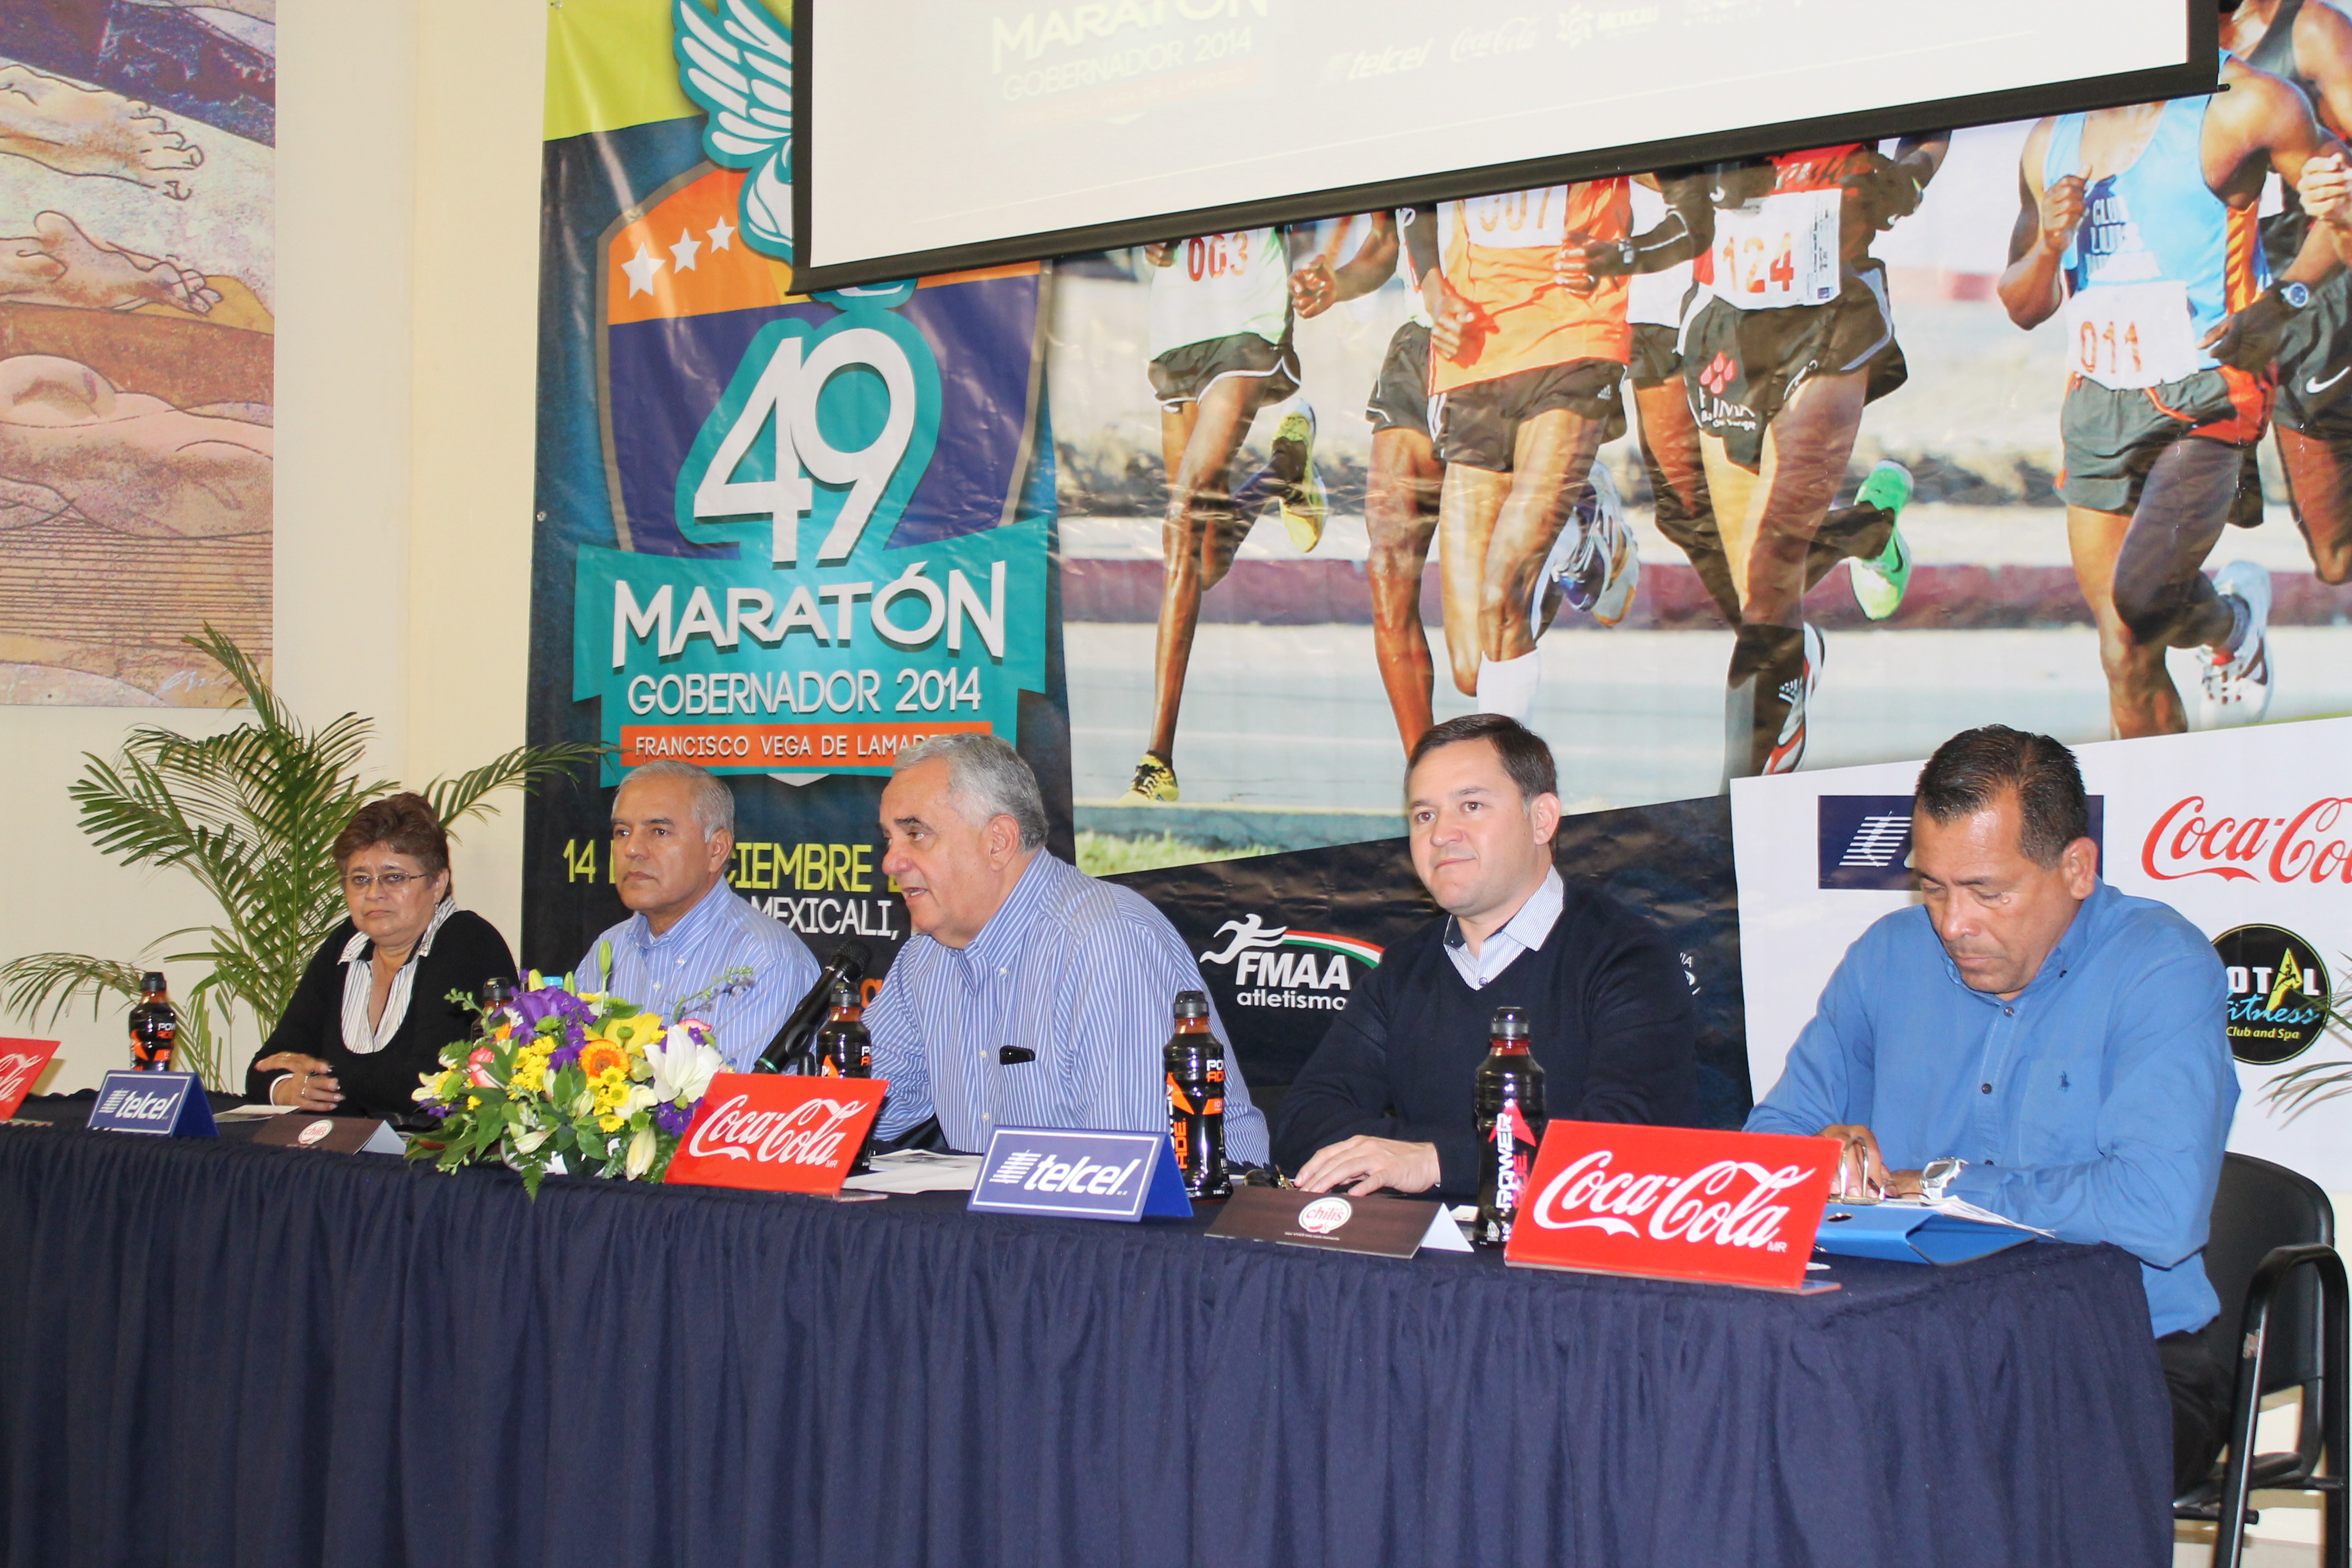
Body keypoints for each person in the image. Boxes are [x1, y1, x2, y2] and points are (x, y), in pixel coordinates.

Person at [1745, 726, 2237, 1497]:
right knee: (1742, 1430)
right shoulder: (1887, 957)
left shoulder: (2160, 969)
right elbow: (1767, 1148)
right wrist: (1820, 1157)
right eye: (1933, 887)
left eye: (1988, 892)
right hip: (1911, 1340)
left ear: (2076, 869)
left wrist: (1942, 1188)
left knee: (1956, 1464)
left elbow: (2158, 1209)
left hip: (2125, 1353)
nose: (1953, 925)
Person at [1998, 61, 2352, 736]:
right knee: (2123, 651)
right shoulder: (2051, 138)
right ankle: (2223, 641)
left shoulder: (2243, 106)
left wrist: (2285, 301)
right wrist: (2049, 244)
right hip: (2098, 399)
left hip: (2209, 386)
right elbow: (2022, 305)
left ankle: (2227, 624)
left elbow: (2343, 219)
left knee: (2142, 599)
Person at [1273, 714, 1697, 1196]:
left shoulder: (1628, 959)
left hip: (1564, 1264)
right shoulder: (1405, 969)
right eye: (1424, 815)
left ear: (1541, 820)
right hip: (1424, 1260)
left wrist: (1437, 1162)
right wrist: (1410, 1158)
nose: (1440, 835)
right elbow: (1303, 1121)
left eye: (1471, 806)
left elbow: (1625, 1146)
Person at [869, 732, 1271, 1159]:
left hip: (1189, 1218)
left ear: (998, 842)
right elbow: (852, 1117)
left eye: (916, 834)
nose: (891, 862)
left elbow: (1132, 1166)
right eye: (889, 839)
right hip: (1015, 1220)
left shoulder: (1104, 940)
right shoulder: (926, 957)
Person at [1680, 137, 1945, 781]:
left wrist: (1909, 175)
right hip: (1726, 312)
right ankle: (1867, 530)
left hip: (1831, 304)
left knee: (1773, 568)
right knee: (1756, 586)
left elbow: (1937, 119)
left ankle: (1739, 806)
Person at [1405, 180, 1643, 726]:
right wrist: (1436, 293)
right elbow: (1413, 197)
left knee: (1504, 586)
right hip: (1478, 351)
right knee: (1472, 666)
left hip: (1575, 335)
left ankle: (1508, 793)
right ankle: (1581, 525)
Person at [1117, 225, 1326, 804]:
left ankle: (1157, 760)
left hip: (1246, 322)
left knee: (1183, 513)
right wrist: (1147, 242)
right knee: (1202, 560)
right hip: (1178, 327)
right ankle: (1286, 468)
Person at [246, 793, 515, 1118]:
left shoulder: (467, 941)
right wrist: (287, 1088)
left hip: (429, 1161)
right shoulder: (347, 943)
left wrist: (326, 1077)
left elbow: (428, 1086)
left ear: (438, 883)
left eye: (394, 878)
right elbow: (263, 1068)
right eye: (360, 879)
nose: (374, 893)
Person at [1292, 207, 1444, 754]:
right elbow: (1387, 240)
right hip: (1422, 349)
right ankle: (1425, 777)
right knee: (1388, 562)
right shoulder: (1400, 148)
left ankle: (1578, 512)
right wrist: (1341, 282)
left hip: (1505, 352)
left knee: (1486, 633)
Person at [575, 759, 817, 1071]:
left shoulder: (766, 961)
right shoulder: (610, 948)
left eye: (659, 831)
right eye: (622, 832)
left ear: (716, 849)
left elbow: (735, 1109)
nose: (632, 849)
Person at [2224, 0, 2352, 581]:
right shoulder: (2166, 49)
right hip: (2239, 306)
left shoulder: (2311, 29)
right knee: (2333, 557)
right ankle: (2232, 622)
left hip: (2326, 287)